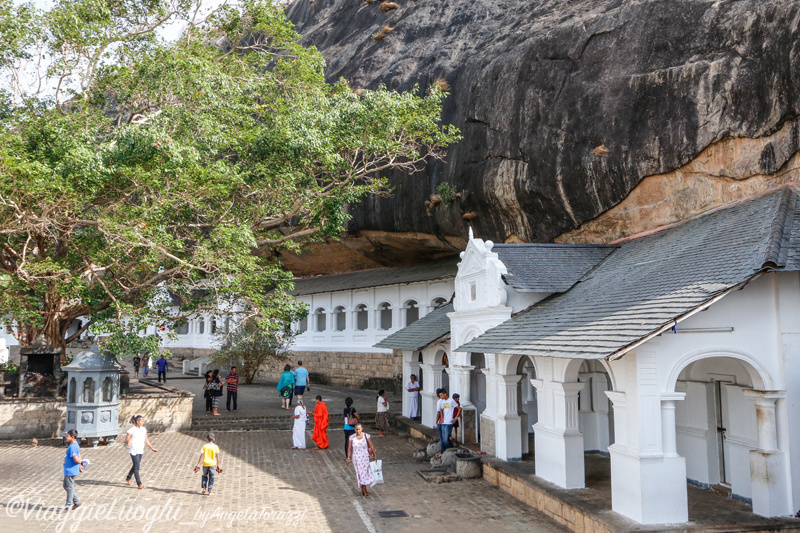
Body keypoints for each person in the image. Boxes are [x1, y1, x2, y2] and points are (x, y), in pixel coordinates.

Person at [125, 415, 158, 489]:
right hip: (134, 450)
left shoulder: (143, 429)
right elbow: (126, 440)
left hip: (140, 449)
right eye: (142, 421)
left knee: (135, 465)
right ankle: (139, 483)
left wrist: (151, 448)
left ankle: (128, 478)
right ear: (137, 421)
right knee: (137, 466)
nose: (143, 422)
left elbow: (146, 439)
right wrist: (128, 441)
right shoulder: (131, 430)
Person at [346, 423, 376, 497]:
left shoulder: (366, 436)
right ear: (354, 429)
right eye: (356, 429)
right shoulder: (351, 437)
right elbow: (350, 448)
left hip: (365, 457)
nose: (358, 431)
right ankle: (363, 490)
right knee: (359, 474)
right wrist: (348, 458)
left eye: (359, 429)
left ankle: (364, 490)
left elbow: (371, 446)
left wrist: (374, 455)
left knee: (364, 473)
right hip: (356, 458)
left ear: (362, 429)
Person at [62, 429, 84, 512]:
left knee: (69, 487)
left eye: (68, 436)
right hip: (68, 469)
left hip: (71, 470)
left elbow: (76, 459)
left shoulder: (72, 447)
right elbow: (79, 454)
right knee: (66, 486)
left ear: (73, 437)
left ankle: (67, 506)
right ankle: (76, 501)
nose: (66, 438)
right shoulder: (76, 445)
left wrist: (80, 463)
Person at [436, 389, 460, 454]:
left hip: (449, 422)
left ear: (445, 394)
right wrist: (442, 417)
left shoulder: (451, 401)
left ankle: (451, 449)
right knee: (443, 440)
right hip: (444, 422)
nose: (441, 397)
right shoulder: (442, 401)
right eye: (440, 395)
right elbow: (441, 410)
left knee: (446, 439)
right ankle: (448, 451)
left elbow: (459, 409)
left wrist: (456, 418)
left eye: (441, 395)